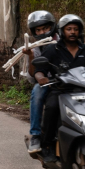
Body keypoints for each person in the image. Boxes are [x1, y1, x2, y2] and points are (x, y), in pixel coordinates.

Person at [36, 15, 85, 159]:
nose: (72, 32)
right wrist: (41, 77)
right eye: (69, 29)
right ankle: (47, 145)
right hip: (61, 91)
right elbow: (39, 69)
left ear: (80, 32)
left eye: (75, 29)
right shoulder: (53, 50)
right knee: (52, 108)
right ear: (62, 31)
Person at [22, 10, 57, 152]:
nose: (43, 32)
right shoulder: (35, 48)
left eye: (46, 28)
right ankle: (36, 134)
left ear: (52, 27)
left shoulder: (61, 41)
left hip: (67, 81)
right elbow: (31, 76)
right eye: (39, 30)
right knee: (37, 91)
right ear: (34, 32)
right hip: (47, 83)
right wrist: (30, 56)